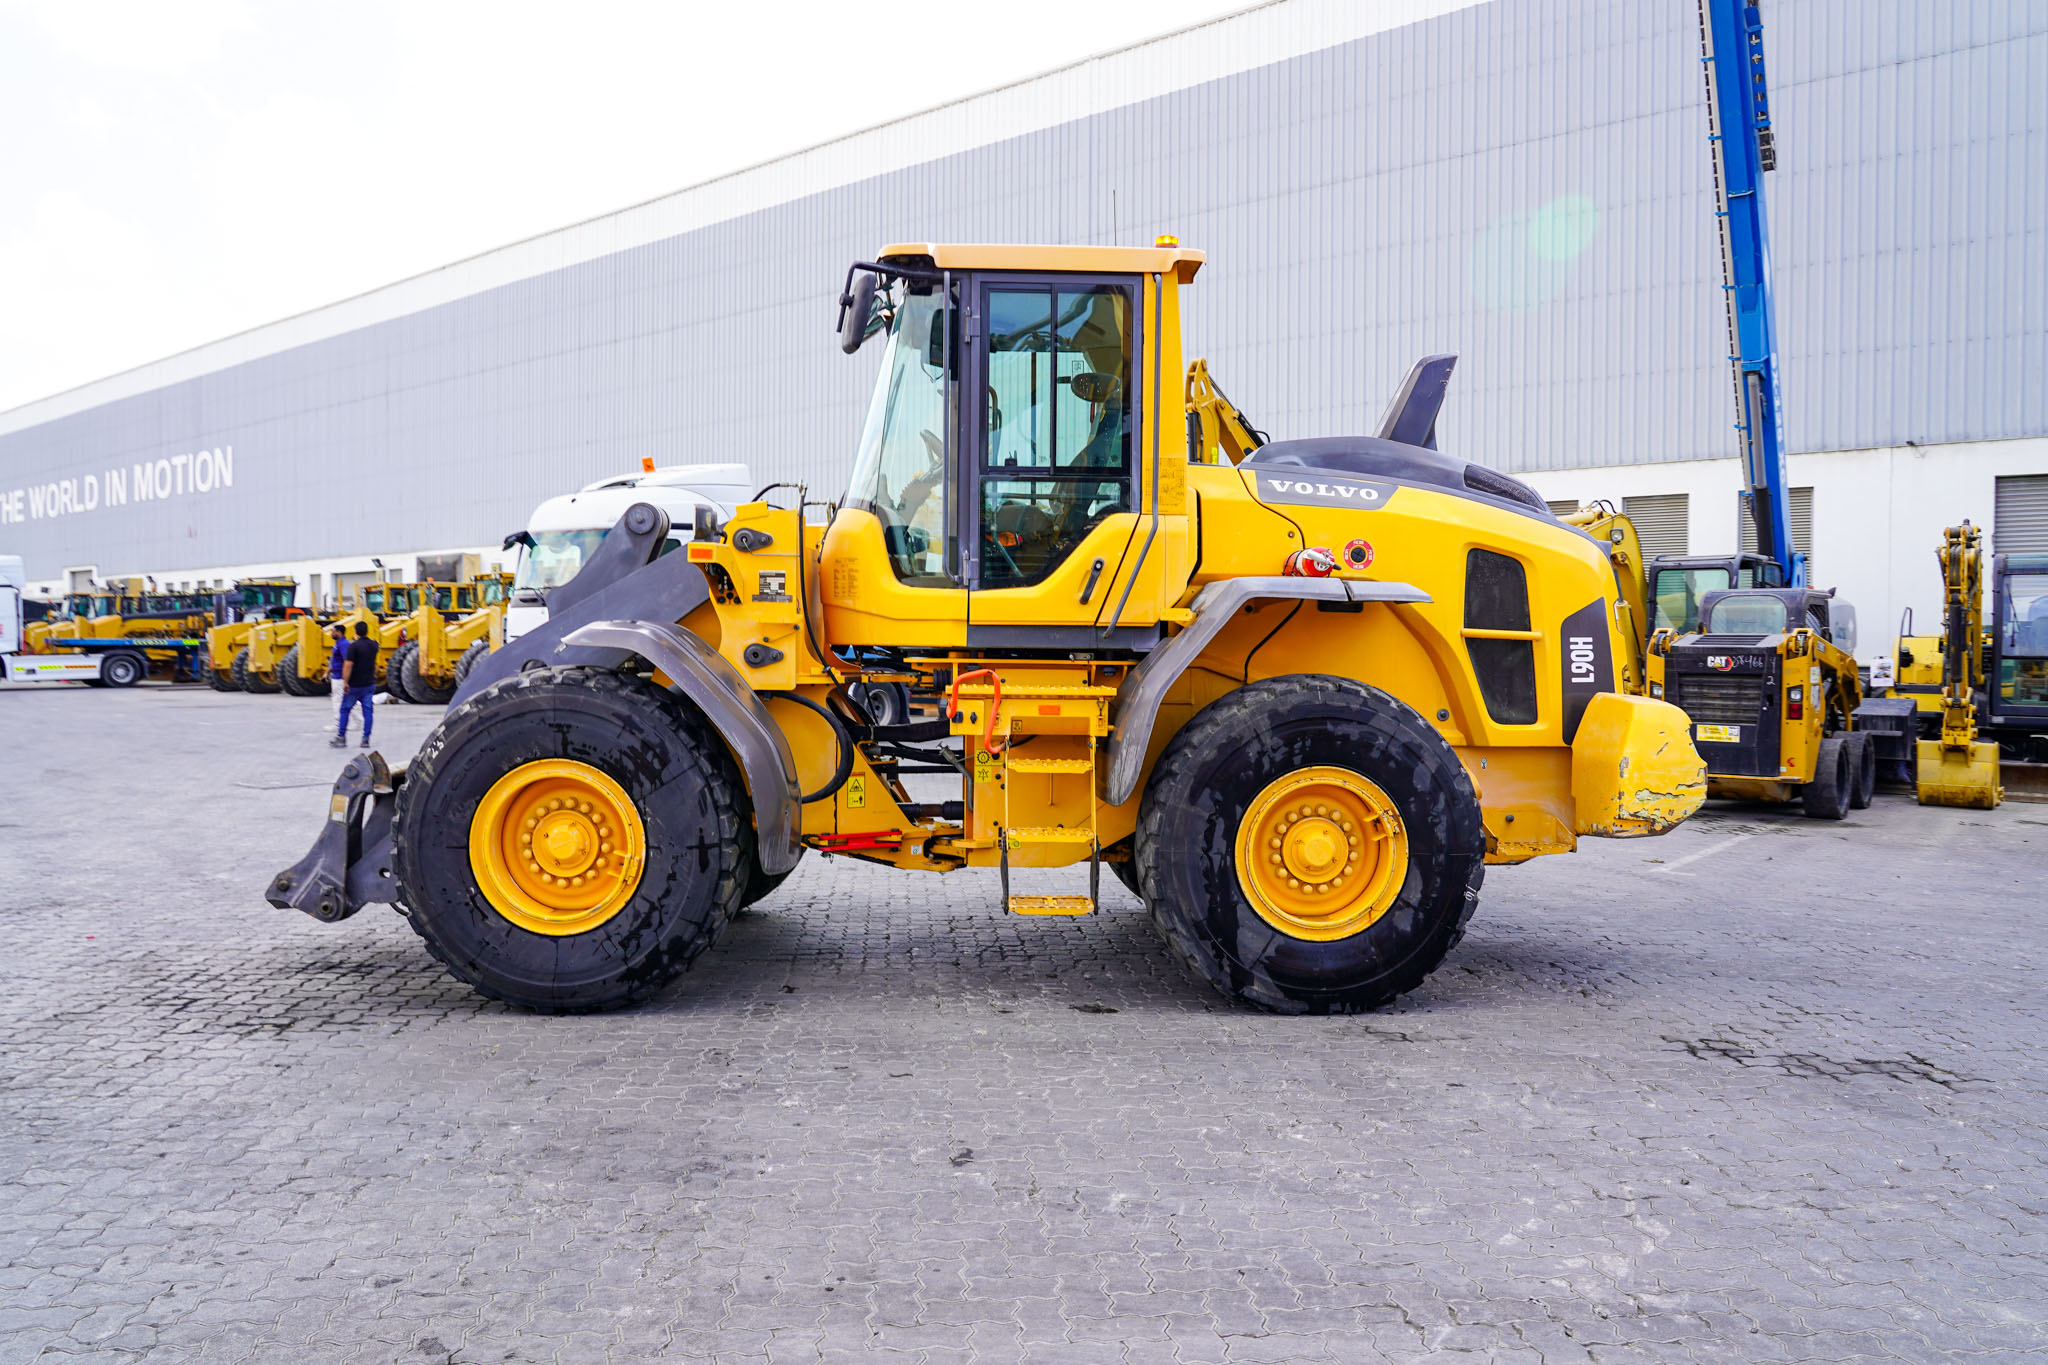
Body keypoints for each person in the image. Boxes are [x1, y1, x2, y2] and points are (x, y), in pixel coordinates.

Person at [332, 621, 379, 748]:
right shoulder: (374, 645)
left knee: (345, 709)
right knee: (368, 711)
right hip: (369, 684)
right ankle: (365, 739)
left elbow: (348, 665)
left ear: (355, 632)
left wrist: (345, 682)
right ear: (367, 631)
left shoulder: (353, 647)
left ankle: (341, 737)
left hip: (355, 685)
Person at [327, 625, 349, 730]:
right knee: (343, 700)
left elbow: (347, 661)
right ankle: (358, 721)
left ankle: (337, 724)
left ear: (339, 632)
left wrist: (345, 679)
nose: (331, 633)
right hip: (336, 675)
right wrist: (327, 671)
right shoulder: (338, 643)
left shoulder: (343, 644)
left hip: (340, 677)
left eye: (333, 631)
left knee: (337, 700)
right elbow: (335, 661)